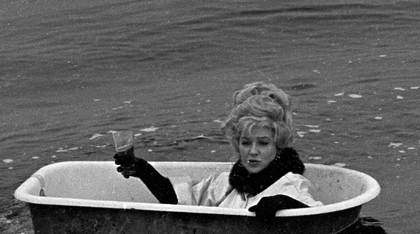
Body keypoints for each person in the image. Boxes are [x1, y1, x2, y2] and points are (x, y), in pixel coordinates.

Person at [114, 81, 322, 218]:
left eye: (263, 143)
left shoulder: (291, 185)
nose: (253, 151)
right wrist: (143, 170)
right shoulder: (227, 183)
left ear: (278, 144)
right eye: (246, 142)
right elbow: (177, 199)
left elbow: (321, 217)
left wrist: (286, 204)